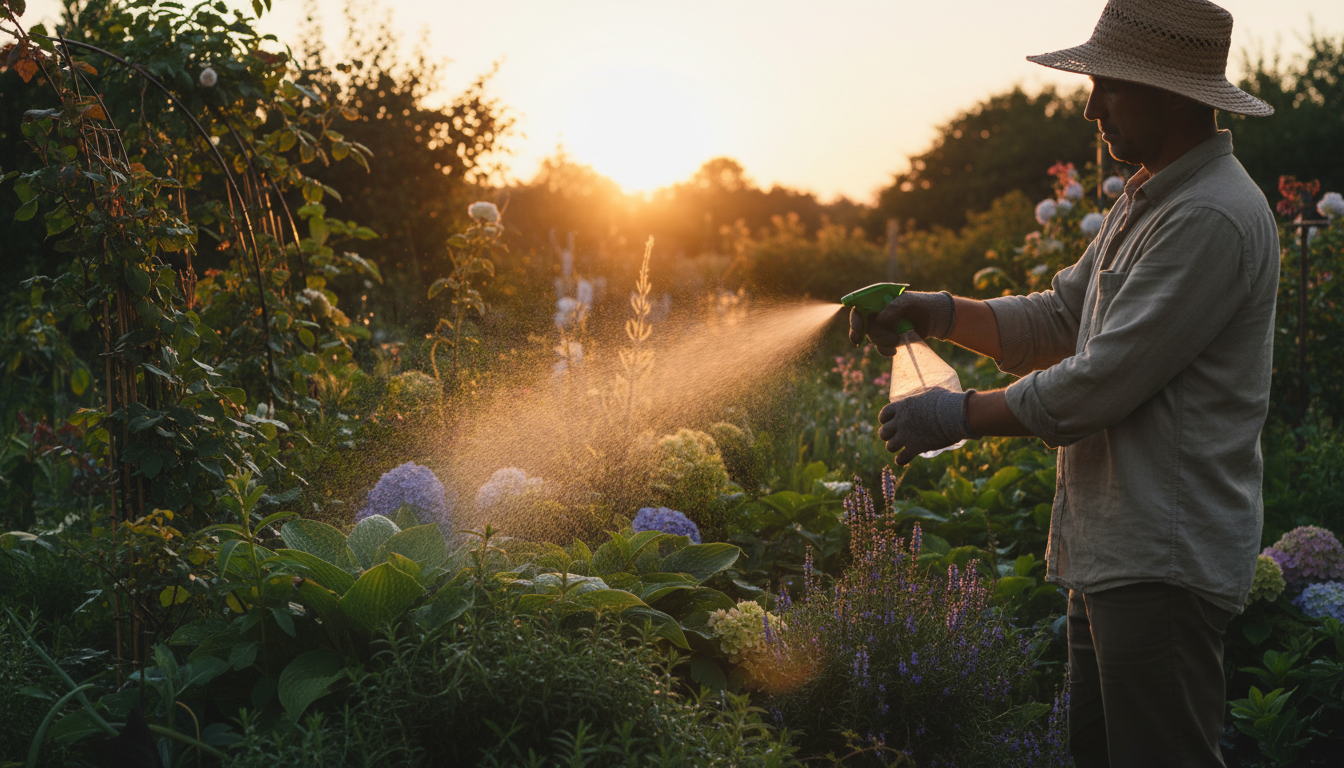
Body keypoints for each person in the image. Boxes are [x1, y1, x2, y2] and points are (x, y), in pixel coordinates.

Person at [851, 1, 1279, 765]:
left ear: (1172, 93)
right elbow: (1059, 320)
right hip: (1115, 551)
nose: (1091, 107)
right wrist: (940, 309)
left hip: (1162, 558)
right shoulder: (1149, 199)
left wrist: (959, 416)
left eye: (1109, 87)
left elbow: (1102, 382)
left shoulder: (1211, 216)